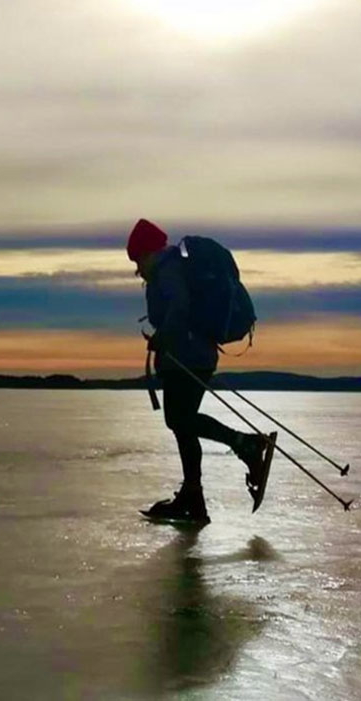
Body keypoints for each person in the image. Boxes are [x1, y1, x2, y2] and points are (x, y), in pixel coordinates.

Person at [127, 218, 274, 523]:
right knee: (182, 425)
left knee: (180, 419)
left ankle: (246, 444)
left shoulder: (168, 270)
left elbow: (179, 306)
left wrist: (163, 338)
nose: (138, 269)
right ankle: (193, 499)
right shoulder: (174, 266)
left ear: (150, 252)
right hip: (194, 354)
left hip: (188, 355)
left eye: (139, 260)